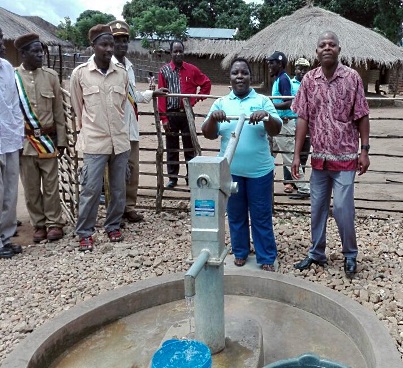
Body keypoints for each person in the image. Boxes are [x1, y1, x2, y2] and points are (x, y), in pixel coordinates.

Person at [291, 31, 370, 278]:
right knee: (317, 208)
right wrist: (297, 155)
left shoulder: (352, 78)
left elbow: (362, 115)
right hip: (319, 159)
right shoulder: (308, 80)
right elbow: (302, 118)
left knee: (343, 209)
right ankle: (316, 253)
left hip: (345, 158)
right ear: (316, 51)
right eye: (322, 45)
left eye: (332, 44)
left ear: (339, 49)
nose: (327, 48)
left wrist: (364, 150)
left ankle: (350, 255)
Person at [201, 57, 282, 272]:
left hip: (260, 172)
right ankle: (240, 252)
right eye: (235, 73)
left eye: (244, 73)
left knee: (261, 214)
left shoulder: (263, 101)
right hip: (231, 171)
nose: (240, 76)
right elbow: (208, 133)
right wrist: (213, 119)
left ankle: (266, 256)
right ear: (230, 77)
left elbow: (276, 129)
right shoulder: (221, 103)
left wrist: (266, 117)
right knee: (236, 215)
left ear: (250, 76)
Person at [70, 24, 130, 251]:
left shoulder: (121, 73)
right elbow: (78, 107)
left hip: (120, 142)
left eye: (111, 45)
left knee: (117, 189)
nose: (109, 49)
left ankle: (113, 226)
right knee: (91, 189)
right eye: (104, 44)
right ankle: (85, 232)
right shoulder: (80, 74)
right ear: (93, 46)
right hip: (94, 142)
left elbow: (122, 105)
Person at [107, 20, 167, 223]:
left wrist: (153, 92)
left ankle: (129, 206)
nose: (121, 45)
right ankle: (115, 210)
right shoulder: (107, 65)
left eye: (124, 41)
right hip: (115, 128)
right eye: (117, 41)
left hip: (130, 126)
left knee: (132, 168)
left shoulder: (128, 67)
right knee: (115, 171)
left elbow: (132, 95)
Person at [14, 33, 67, 243]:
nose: (40, 55)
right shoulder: (13, 77)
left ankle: (54, 223)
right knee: (31, 188)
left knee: (52, 186)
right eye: (35, 51)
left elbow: (59, 113)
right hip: (25, 143)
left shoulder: (51, 77)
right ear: (23, 53)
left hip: (47, 141)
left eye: (41, 51)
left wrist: (61, 140)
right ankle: (39, 224)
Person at [158, 40, 211, 189]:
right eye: (175, 51)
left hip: (187, 113)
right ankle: (173, 178)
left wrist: (196, 98)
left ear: (184, 52)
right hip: (171, 114)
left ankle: (190, 177)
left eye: (180, 51)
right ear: (171, 53)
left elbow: (206, 83)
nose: (178, 54)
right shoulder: (164, 71)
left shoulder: (192, 70)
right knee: (172, 148)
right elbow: (161, 96)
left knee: (189, 146)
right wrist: (163, 118)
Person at [267, 51, 310, 199]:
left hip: (284, 123)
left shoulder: (283, 79)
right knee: (268, 155)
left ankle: (304, 188)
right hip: (279, 124)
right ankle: (264, 184)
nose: (270, 66)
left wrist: (271, 106)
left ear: (280, 64)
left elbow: (289, 103)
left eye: (272, 63)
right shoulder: (281, 79)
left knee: (289, 157)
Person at [0, 27, 24, 258]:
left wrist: (18, 133)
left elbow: (14, 104)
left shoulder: (7, 68)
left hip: (8, 139)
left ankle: (5, 238)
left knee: (9, 193)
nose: (1, 43)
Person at [291, 57, 312, 196]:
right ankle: (293, 182)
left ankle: (298, 181)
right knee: (292, 154)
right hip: (293, 124)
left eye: (305, 69)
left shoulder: (312, 83)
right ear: (295, 69)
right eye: (299, 68)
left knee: (303, 155)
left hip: (308, 125)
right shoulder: (290, 84)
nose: (302, 72)